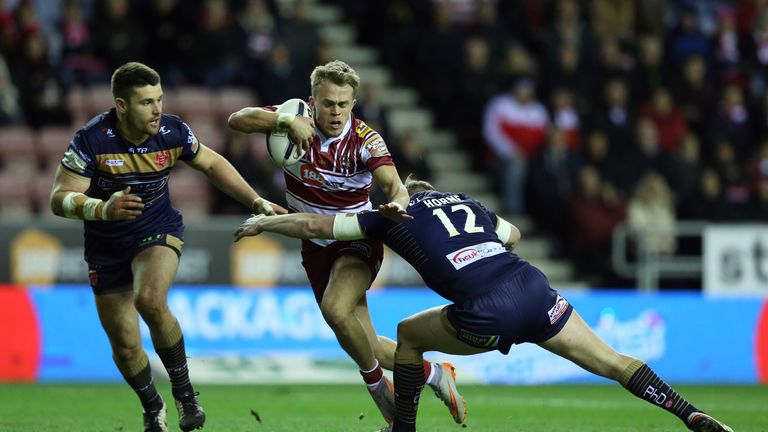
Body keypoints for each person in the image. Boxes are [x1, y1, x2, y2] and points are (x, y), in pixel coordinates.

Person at [233, 175, 734, 432]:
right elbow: (511, 234)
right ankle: (687, 414)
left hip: (488, 310)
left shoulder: (390, 214)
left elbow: (321, 226)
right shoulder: (469, 204)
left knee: (407, 335)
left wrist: (267, 222)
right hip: (534, 289)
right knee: (613, 362)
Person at [49, 62, 286, 432]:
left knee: (150, 299)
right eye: (146, 102)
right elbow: (59, 198)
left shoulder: (173, 131)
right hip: (106, 242)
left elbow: (211, 163)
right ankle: (152, 406)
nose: (157, 109)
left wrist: (257, 202)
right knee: (126, 346)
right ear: (121, 106)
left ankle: (185, 392)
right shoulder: (92, 139)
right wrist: (103, 208)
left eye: (159, 99)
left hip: (156, 228)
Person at [227, 59, 465, 426]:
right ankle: (436, 374)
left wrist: (398, 204)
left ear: (353, 104)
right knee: (369, 346)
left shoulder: (365, 140)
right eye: (327, 103)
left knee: (335, 309)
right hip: (314, 243)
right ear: (313, 100)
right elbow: (237, 120)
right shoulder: (293, 117)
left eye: (343, 104)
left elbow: (394, 184)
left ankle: (380, 391)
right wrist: (284, 121)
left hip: (356, 236)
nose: (335, 112)